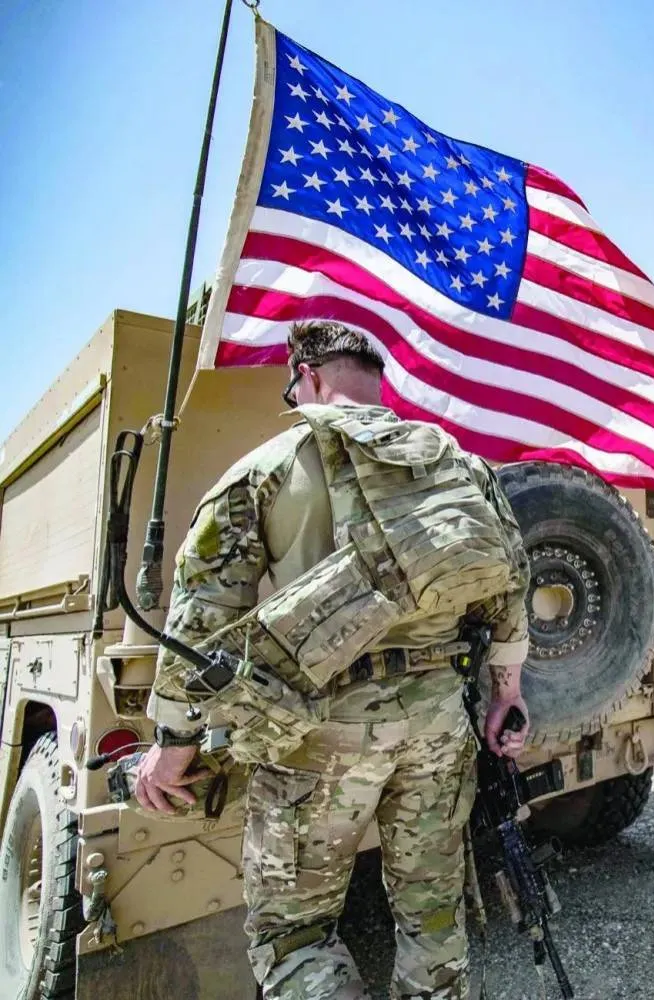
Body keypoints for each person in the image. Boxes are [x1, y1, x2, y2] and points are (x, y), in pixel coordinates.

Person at [133, 321, 532, 999]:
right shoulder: (457, 464)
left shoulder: (271, 464)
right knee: (431, 914)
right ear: (374, 379)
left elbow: (200, 614)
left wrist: (174, 744)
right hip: (438, 723)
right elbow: (511, 585)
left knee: (294, 933)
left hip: (319, 731)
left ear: (309, 376)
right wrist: (507, 693)